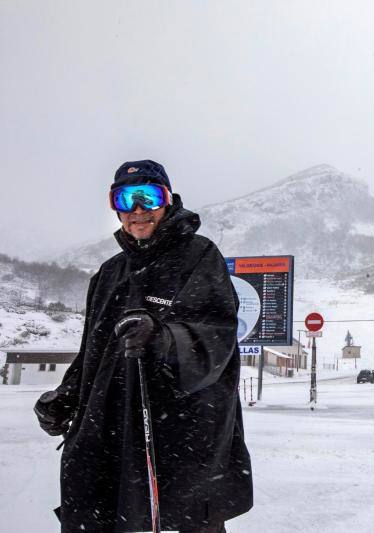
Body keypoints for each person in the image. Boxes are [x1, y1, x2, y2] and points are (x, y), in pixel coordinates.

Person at [33, 160, 252, 533]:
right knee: (102, 511)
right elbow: (93, 351)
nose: (137, 210)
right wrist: (67, 395)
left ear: (167, 201)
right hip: (110, 427)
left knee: (181, 516)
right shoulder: (109, 273)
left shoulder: (198, 256)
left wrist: (164, 337)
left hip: (177, 429)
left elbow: (216, 333)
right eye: (125, 199)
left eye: (148, 197)